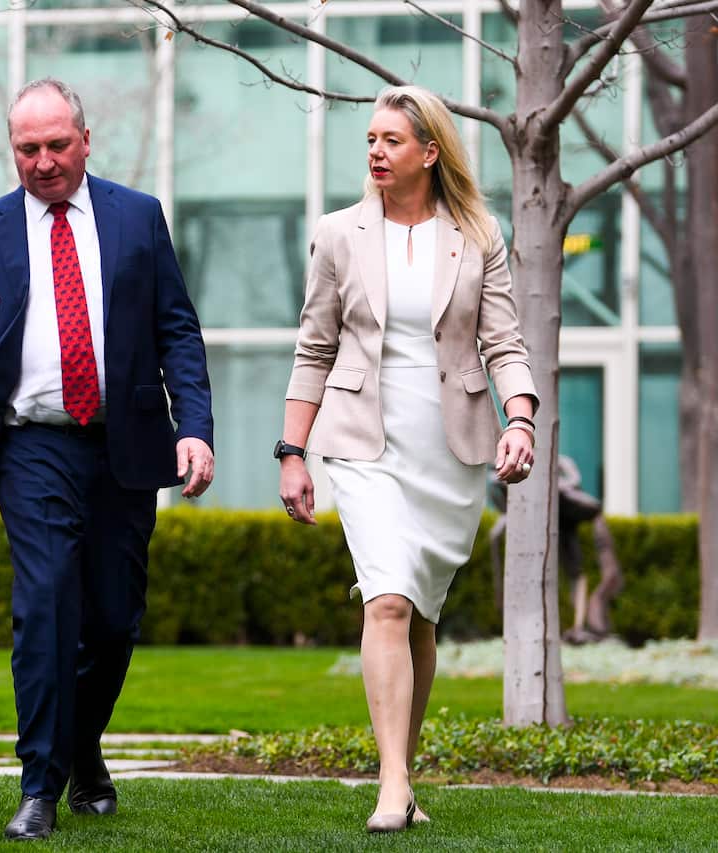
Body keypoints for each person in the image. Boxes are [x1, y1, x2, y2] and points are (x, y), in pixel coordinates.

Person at [0, 78, 214, 841]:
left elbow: (177, 331)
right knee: (47, 604)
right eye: (28, 148)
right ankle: (39, 784)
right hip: (31, 443)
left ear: (86, 141)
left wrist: (196, 426)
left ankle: (82, 745)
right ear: (12, 150)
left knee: (115, 617)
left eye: (58, 145)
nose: (44, 161)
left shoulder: (137, 218)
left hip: (125, 443)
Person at [277, 85, 538, 833]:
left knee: (419, 610)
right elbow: (314, 347)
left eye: (391, 140)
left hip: (449, 445)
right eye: (369, 139)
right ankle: (392, 783)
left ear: (430, 151)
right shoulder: (338, 234)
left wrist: (518, 419)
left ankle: (403, 774)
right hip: (361, 443)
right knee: (385, 598)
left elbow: (504, 343)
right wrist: (292, 451)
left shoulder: (479, 234)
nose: (375, 152)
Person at [488, 455, 623, 642]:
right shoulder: (507, 465)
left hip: (565, 515)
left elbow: (574, 479)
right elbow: (496, 487)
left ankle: (579, 623)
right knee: (502, 540)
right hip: (534, 516)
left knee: (575, 570)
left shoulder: (560, 461)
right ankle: (513, 616)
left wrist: (547, 484)